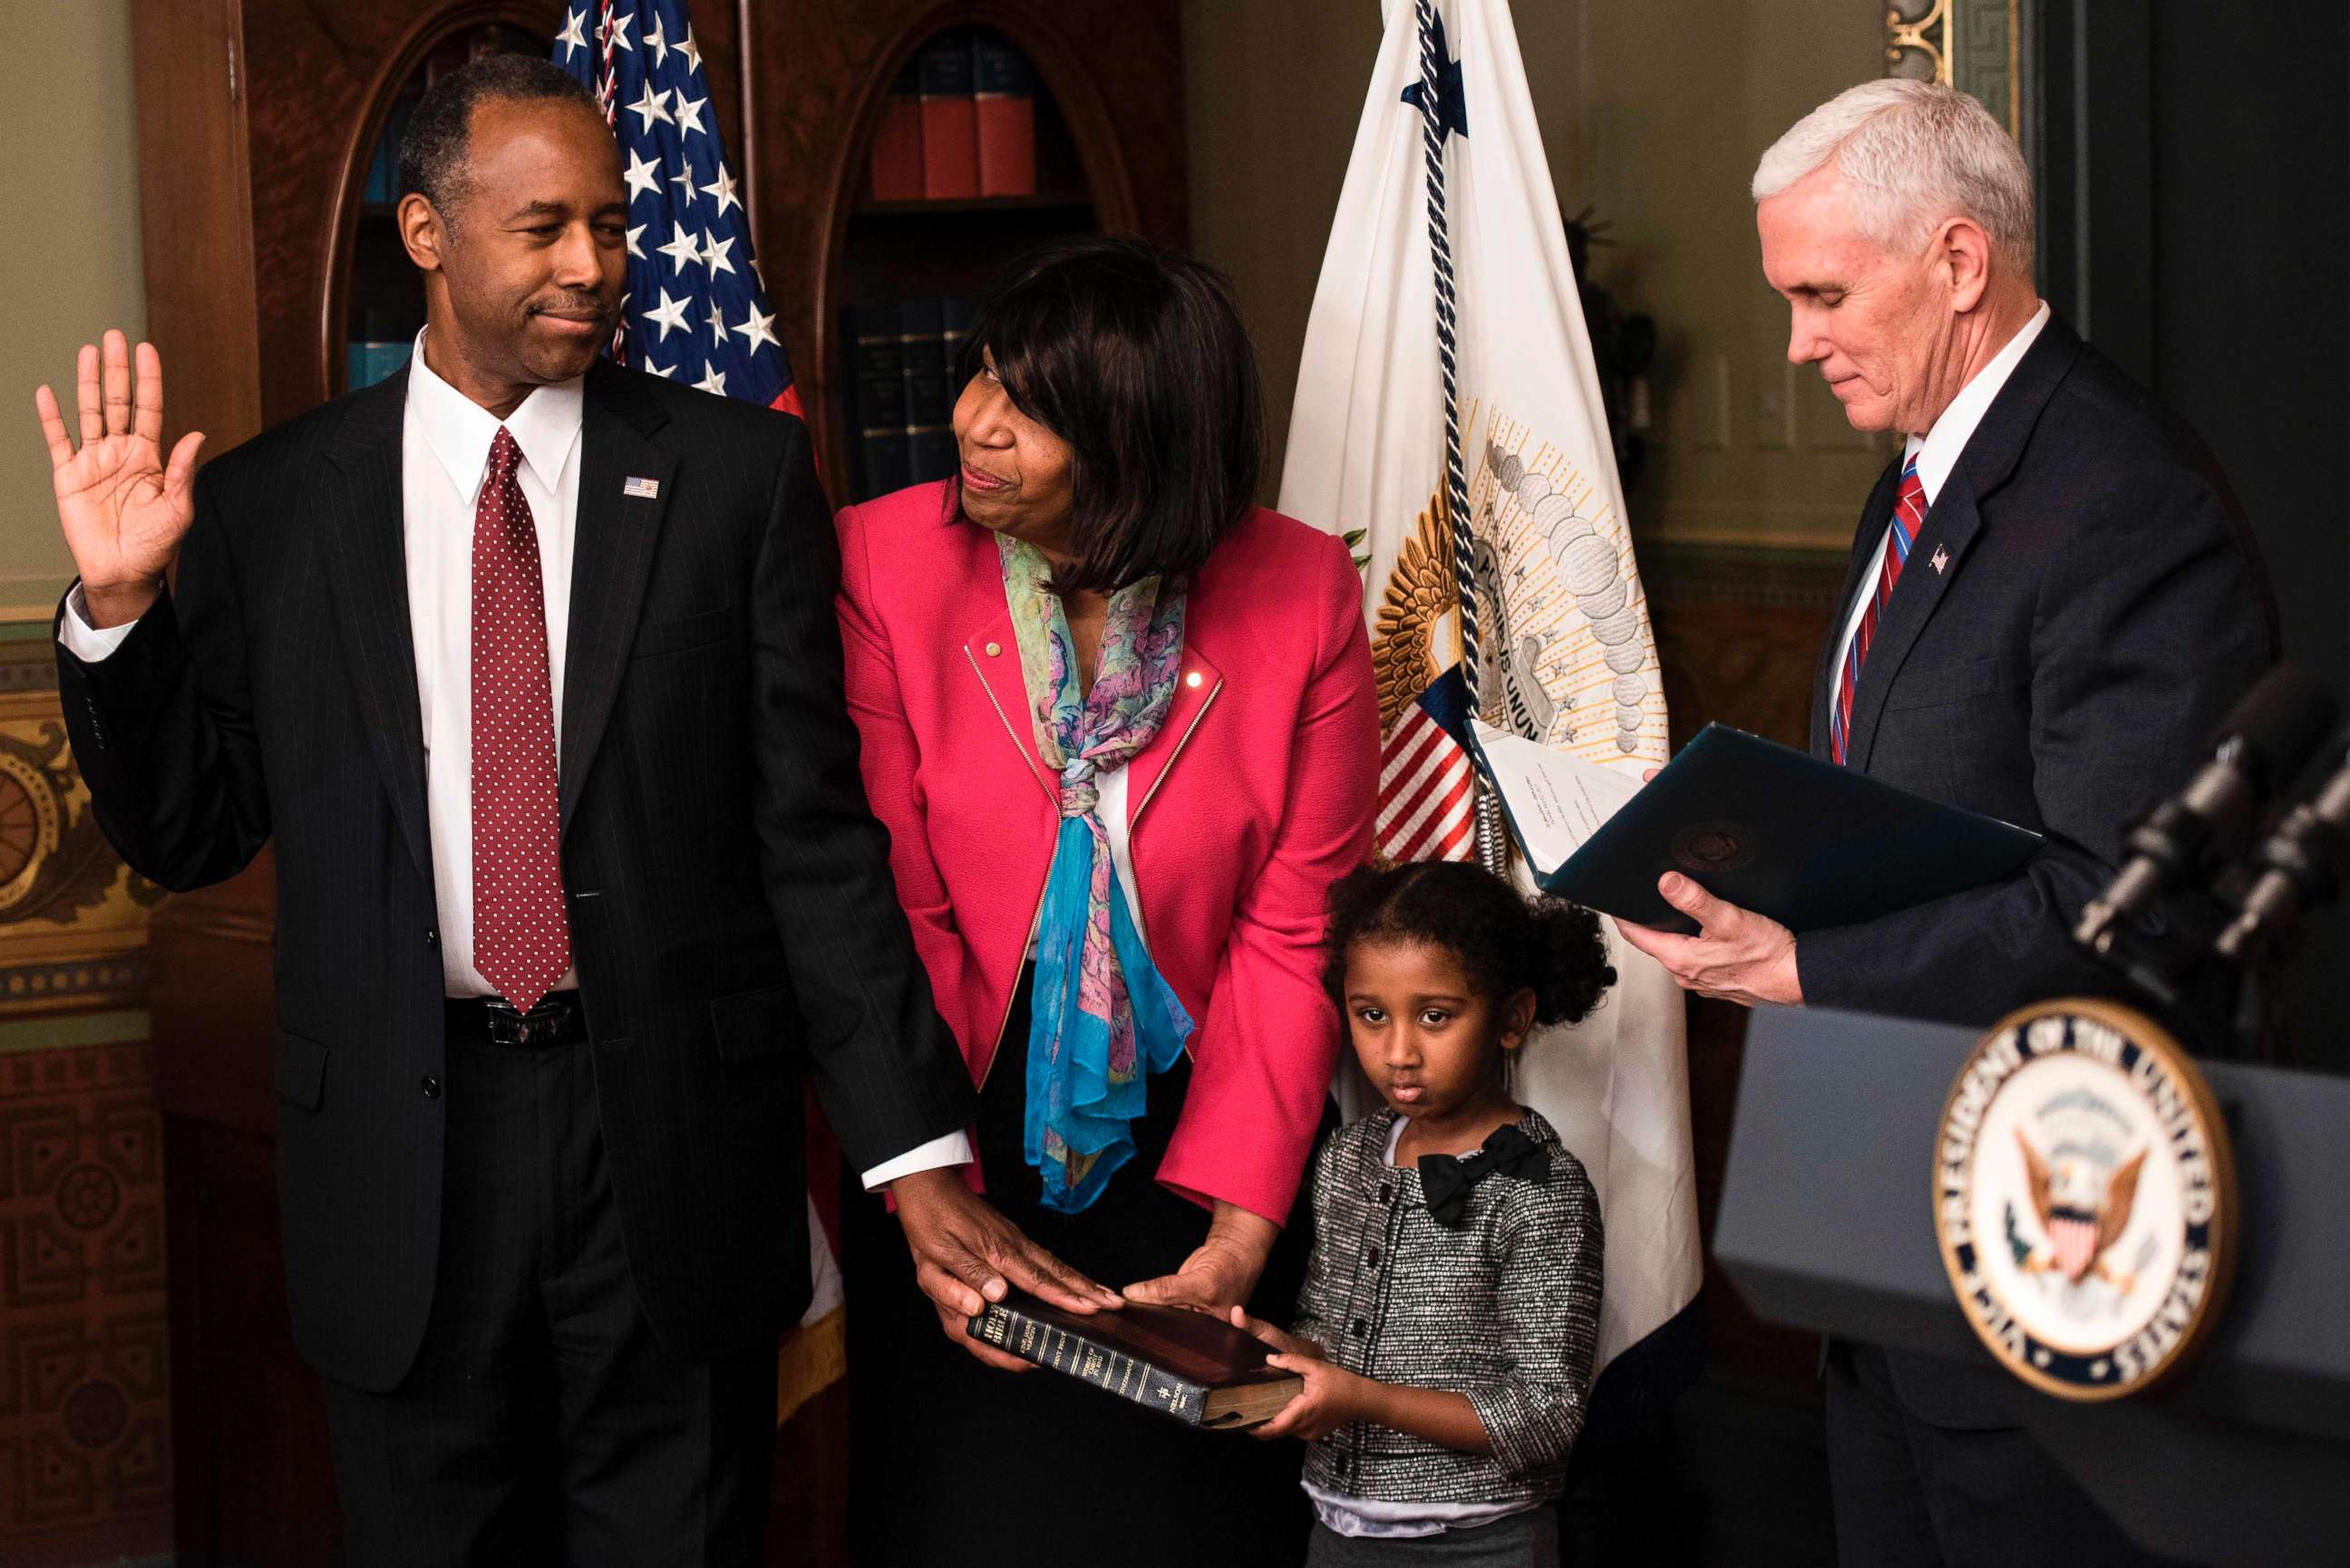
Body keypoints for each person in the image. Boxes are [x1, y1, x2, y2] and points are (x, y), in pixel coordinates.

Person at [34, 54, 1112, 1566]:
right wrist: (120, 606)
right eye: (543, 229)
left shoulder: (734, 477)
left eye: (608, 225)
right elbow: (187, 831)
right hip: (407, 1160)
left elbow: (810, 841)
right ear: (425, 233)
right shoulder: (280, 506)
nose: (594, 267)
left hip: (670, 1142)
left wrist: (910, 1154)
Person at [1617, 80, 2275, 1565]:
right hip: (1890, 1237)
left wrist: (1808, 971)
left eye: (1822, 293)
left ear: (1959, 263)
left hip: (2051, 1242)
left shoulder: (2123, 498)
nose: (1792, 343)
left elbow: (2137, 904)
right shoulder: (1922, 470)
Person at [832, 236, 1381, 1565]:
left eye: (1028, 408)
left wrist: (1243, 1230)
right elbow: (886, 897)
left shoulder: (1301, 589)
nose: (973, 420)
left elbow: (1292, 928)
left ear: (1139, 448)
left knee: (1190, 1521)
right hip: (954, 1119)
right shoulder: (883, 561)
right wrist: (926, 1187)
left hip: (1207, 1137)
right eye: (980, 373)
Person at [1233, 860, 1611, 1568]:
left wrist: (1362, 1400)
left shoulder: (1542, 1189)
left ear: (1511, 1017)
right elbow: (1327, 1331)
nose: (1397, 1052)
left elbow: (1548, 1414)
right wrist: (1280, 1356)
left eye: (1434, 1017)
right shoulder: (1349, 1157)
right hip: (1337, 1532)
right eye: (1371, 1015)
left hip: (1482, 1542)